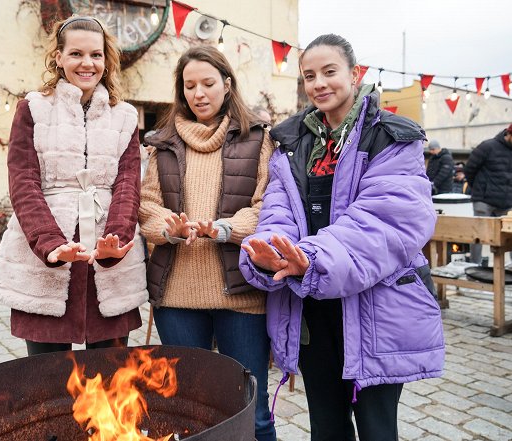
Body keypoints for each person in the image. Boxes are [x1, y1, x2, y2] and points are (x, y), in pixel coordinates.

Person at [240, 34, 444, 440]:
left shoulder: (392, 137)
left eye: (330, 72)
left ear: (354, 74)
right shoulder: (293, 142)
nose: (319, 83)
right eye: (310, 75)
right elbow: (278, 210)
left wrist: (310, 259)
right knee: (326, 426)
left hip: (377, 306)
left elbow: (385, 222)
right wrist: (274, 252)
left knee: (376, 427)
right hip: (312, 308)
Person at [0, 16, 147, 356]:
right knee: (49, 377)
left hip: (107, 259)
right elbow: (23, 182)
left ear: (107, 59)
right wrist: (50, 244)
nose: (87, 63)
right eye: (76, 53)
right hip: (46, 253)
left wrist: (115, 241)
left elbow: (129, 184)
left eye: (96, 55)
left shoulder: (126, 116)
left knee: (110, 373)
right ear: (58, 57)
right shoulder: (33, 108)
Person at [139, 46, 276, 441]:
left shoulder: (258, 139)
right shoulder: (161, 142)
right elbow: (146, 204)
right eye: (189, 86)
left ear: (227, 85)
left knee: (252, 413)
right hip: (177, 299)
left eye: (208, 83)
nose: (199, 93)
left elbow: (267, 206)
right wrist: (171, 227)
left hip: (243, 298)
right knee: (187, 413)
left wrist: (223, 229)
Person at [463, 123, 512, 265]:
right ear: (509, 134)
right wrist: (480, 189)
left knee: (509, 236)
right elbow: (469, 170)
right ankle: (473, 266)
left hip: (507, 202)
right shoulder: (487, 146)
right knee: (477, 235)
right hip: (484, 200)